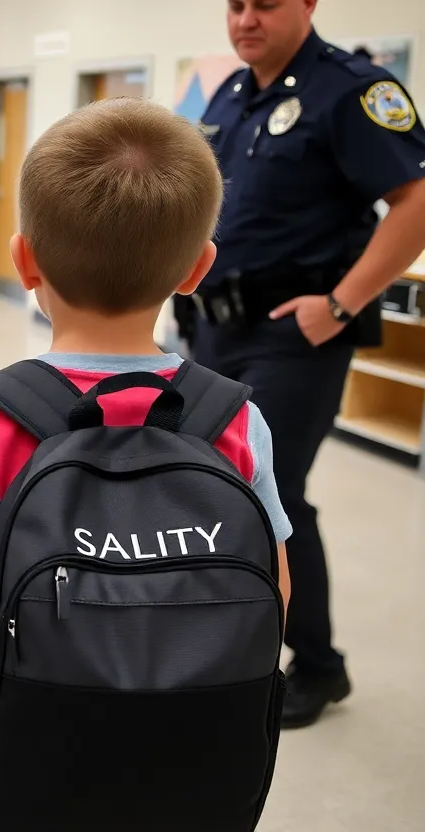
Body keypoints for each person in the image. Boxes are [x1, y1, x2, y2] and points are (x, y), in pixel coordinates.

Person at [0, 91, 293, 740]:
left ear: (23, 261)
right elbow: (273, 597)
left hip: (34, 747)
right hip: (194, 747)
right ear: (197, 269)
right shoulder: (235, 420)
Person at [188, 0, 425, 728]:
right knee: (219, 487)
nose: (246, 19)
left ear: (308, 5)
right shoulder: (231, 93)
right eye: (236, 5)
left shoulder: (351, 89)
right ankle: (240, 631)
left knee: (274, 493)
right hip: (217, 326)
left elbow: (416, 199)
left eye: (265, 3)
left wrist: (344, 304)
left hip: (295, 336)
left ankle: (318, 664)